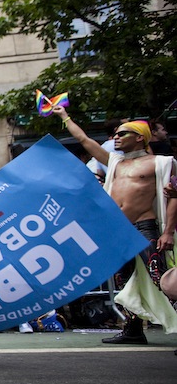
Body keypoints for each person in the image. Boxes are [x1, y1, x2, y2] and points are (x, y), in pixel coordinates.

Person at [54, 107, 177, 343]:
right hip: (119, 231)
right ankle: (133, 330)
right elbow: (83, 139)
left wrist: (169, 232)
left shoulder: (161, 163)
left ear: (140, 137)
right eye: (116, 134)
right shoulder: (115, 163)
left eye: (123, 134)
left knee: (162, 279)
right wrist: (64, 116)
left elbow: (174, 196)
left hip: (144, 228)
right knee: (124, 281)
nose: (116, 138)